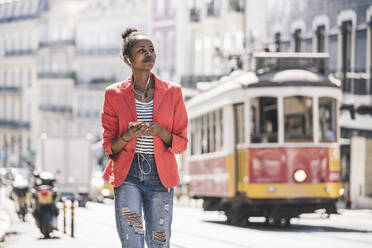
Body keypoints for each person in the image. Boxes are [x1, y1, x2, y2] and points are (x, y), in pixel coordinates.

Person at [101, 27, 188, 248]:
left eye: (151, 49)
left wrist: (160, 131)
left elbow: (181, 143)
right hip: (127, 174)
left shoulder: (173, 92)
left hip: (161, 176)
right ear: (127, 58)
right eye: (142, 50)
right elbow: (109, 146)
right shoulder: (114, 94)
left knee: (159, 242)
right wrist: (129, 135)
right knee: (132, 240)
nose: (149, 54)